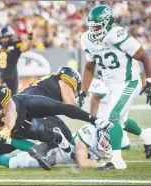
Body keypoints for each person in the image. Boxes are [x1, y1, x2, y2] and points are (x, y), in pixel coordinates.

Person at [0, 82, 111, 170]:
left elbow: (10, 111)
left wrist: (6, 129)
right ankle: (58, 142)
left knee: (59, 107)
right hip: (19, 127)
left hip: (23, 106)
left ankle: (95, 120)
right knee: (44, 136)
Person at [78, 5, 151, 170]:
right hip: (110, 84)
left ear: (108, 23)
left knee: (112, 117)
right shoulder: (86, 39)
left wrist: (150, 81)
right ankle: (146, 135)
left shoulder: (116, 35)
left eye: (97, 27)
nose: (94, 31)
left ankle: (117, 160)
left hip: (128, 81)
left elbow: (144, 57)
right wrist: (83, 91)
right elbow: (89, 67)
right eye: (92, 27)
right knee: (121, 122)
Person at [0, 124, 112, 170]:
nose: (106, 144)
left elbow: (85, 161)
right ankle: (4, 137)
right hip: (54, 146)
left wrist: (99, 161)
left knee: (10, 164)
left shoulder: (88, 142)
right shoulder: (82, 142)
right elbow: (83, 163)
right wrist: (102, 165)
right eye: (104, 140)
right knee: (37, 149)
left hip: (53, 159)